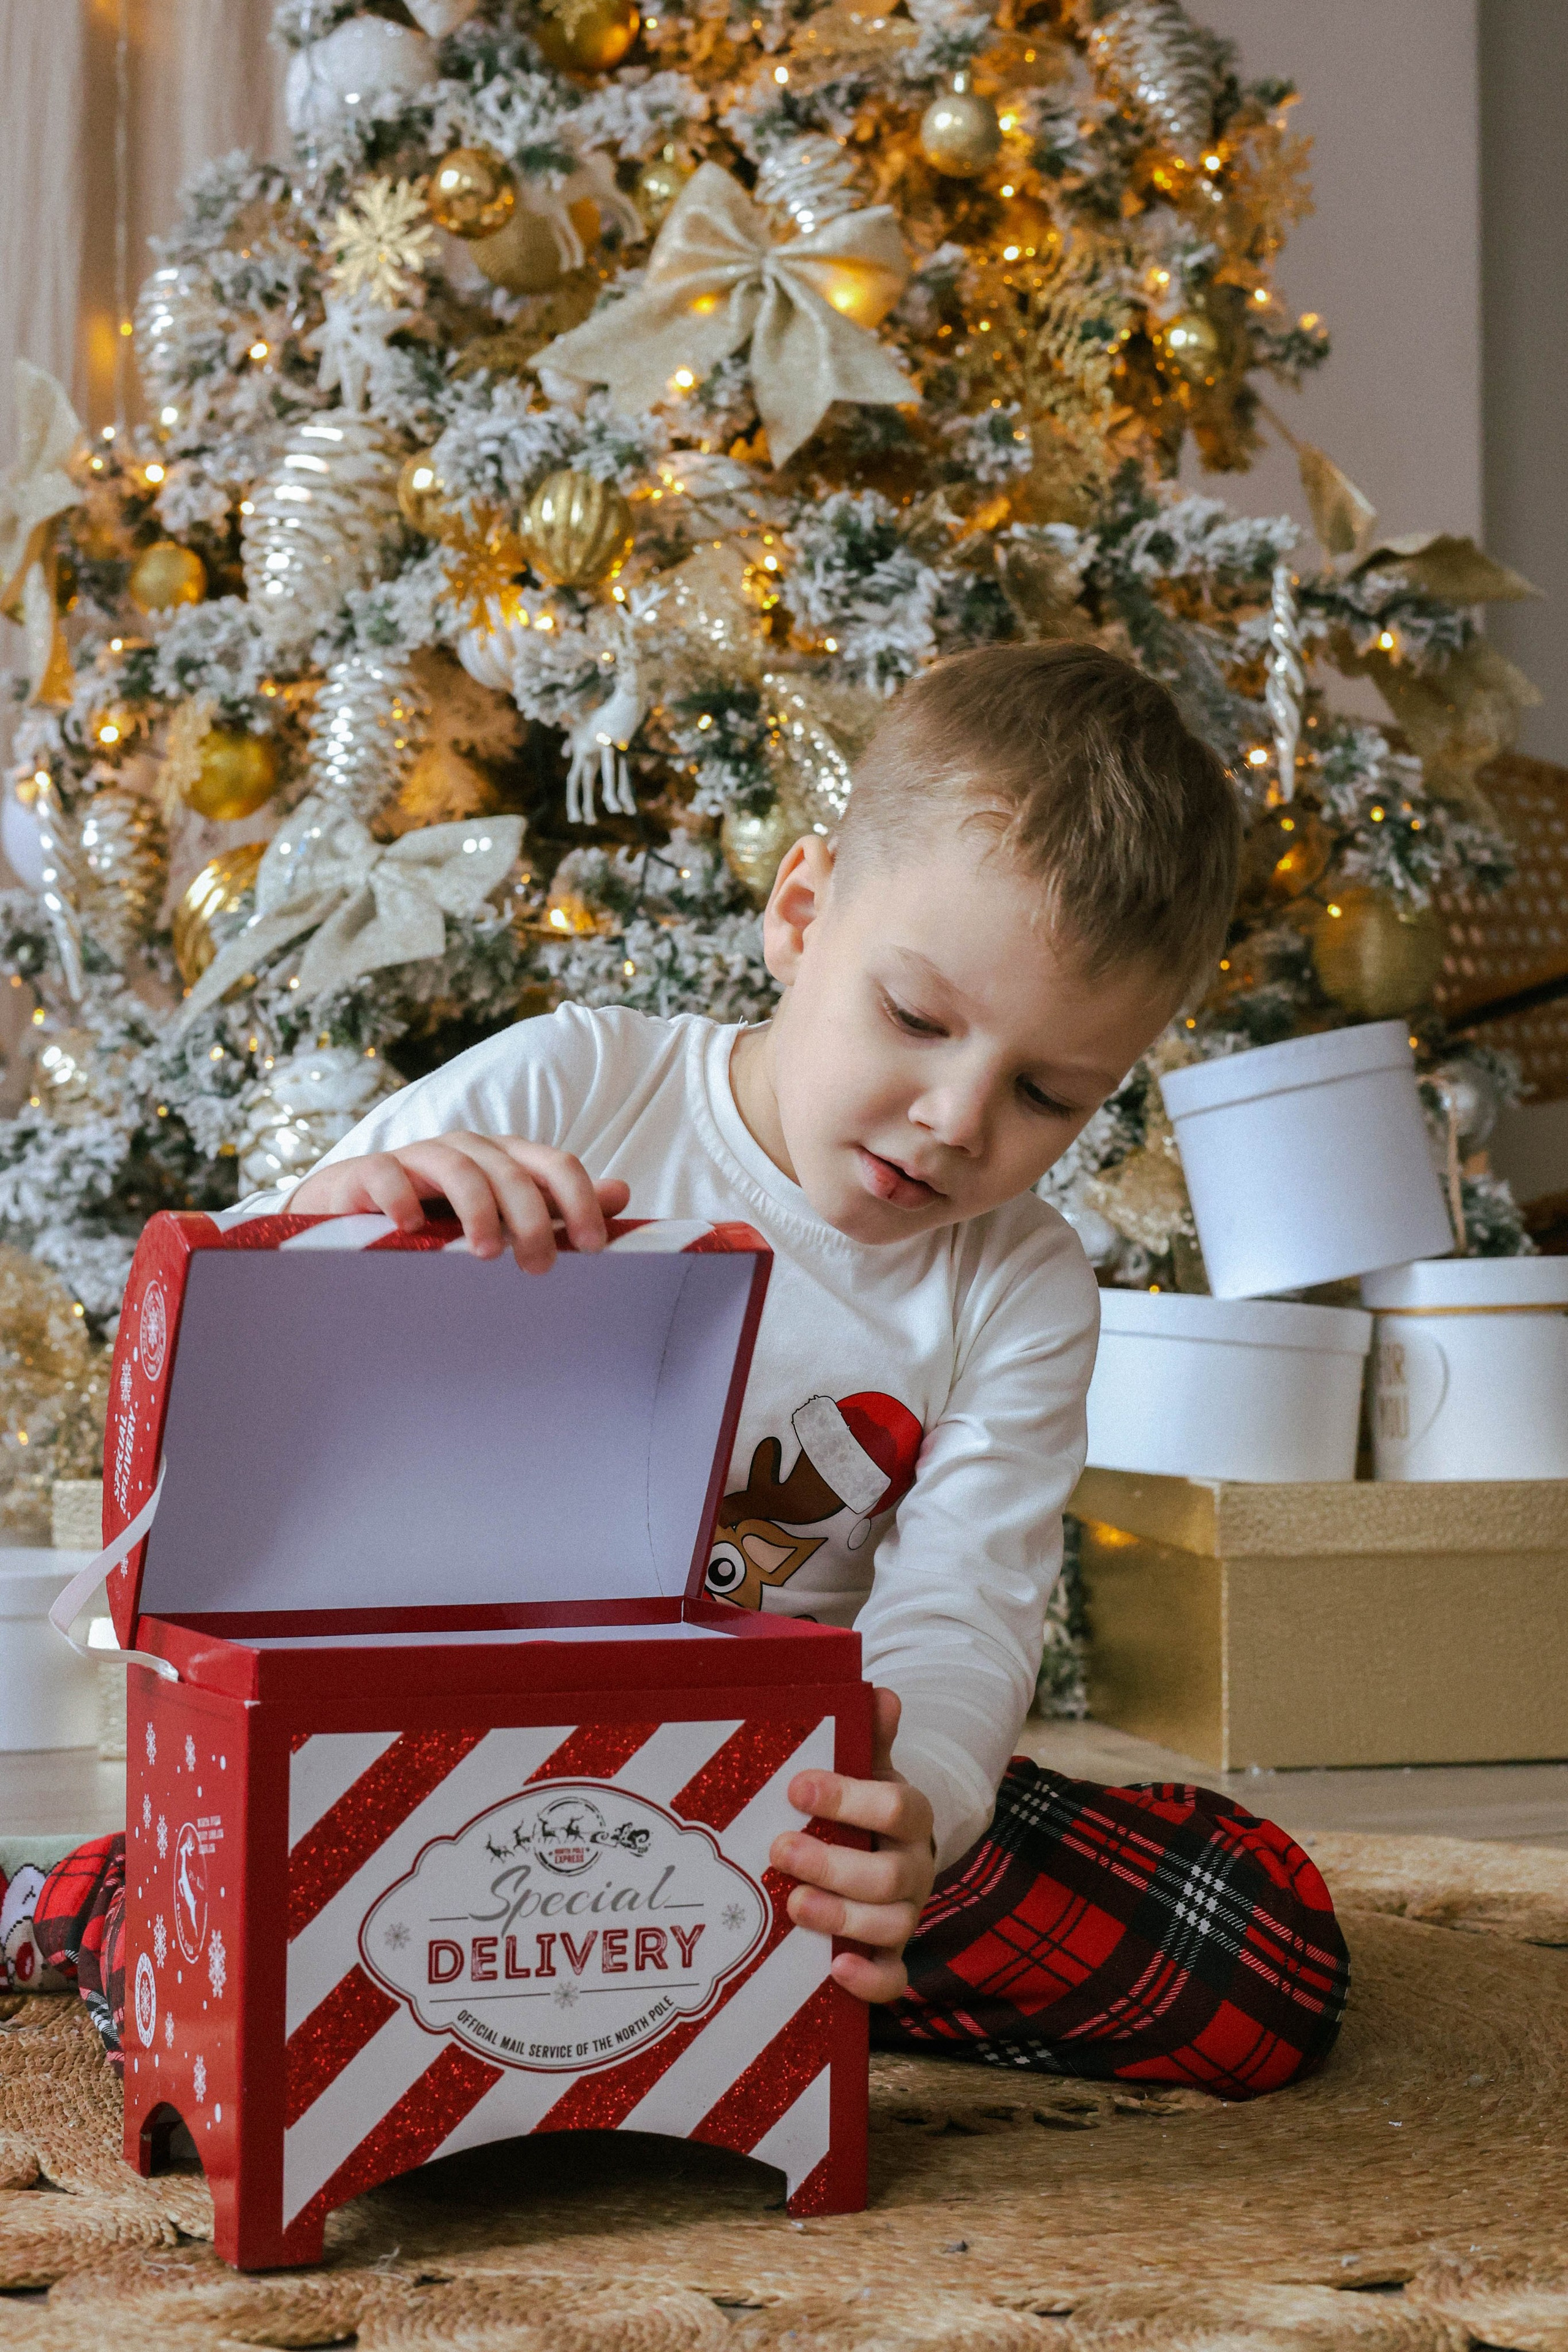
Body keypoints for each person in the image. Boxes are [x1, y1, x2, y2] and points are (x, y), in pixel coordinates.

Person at [12, 644, 1348, 2097]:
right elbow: (233, 1401)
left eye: (1047, 1095)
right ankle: (137, 1911)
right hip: (427, 1761)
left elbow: (962, 1612)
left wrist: (912, 1810)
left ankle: (628, 1996)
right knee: (257, 1919)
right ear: (799, 913)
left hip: (757, 1809)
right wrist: (355, 1214)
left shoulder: (1015, 1283)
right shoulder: (570, 1085)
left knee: (1256, 1961)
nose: (958, 1120)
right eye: (914, 1020)